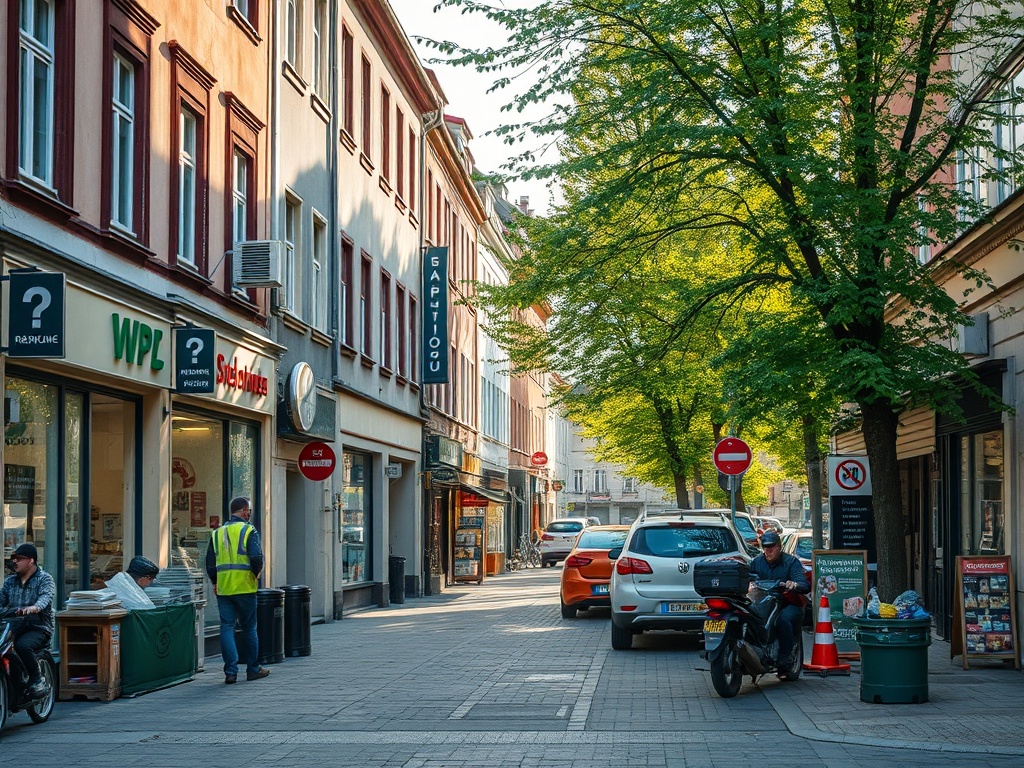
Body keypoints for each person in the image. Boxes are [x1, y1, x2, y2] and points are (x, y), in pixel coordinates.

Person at [205, 496, 270, 684]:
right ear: (244, 511)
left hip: (224, 588)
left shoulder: (217, 533)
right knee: (249, 628)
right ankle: (252, 668)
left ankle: (230, 672)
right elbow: (257, 557)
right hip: (245, 587)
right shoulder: (249, 530)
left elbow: (210, 563)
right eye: (248, 510)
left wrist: (215, 582)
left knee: (227, 627)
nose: (249, 513)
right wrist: (255, 574)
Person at [747, 529, 809, 680]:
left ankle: (785, 659)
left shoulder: (791, 562)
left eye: (772, 548)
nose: (768, 551)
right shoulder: (756, 562)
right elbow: (747, 578)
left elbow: (803, 583)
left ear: (779, 547)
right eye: (765, 548)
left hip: (787, 602)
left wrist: (793, 584)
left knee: (783, 620)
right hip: (763, 603)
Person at [0, 544, 55, 696]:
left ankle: (37, 680)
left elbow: (45, 597)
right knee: (4, 649)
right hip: (13, 626)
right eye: (14, 559)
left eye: (19, 559)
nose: (15, 562)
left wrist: (35, 607)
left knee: (22, 646)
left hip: (38, 627)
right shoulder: (10, 581)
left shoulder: (45, 579)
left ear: (31, 561)